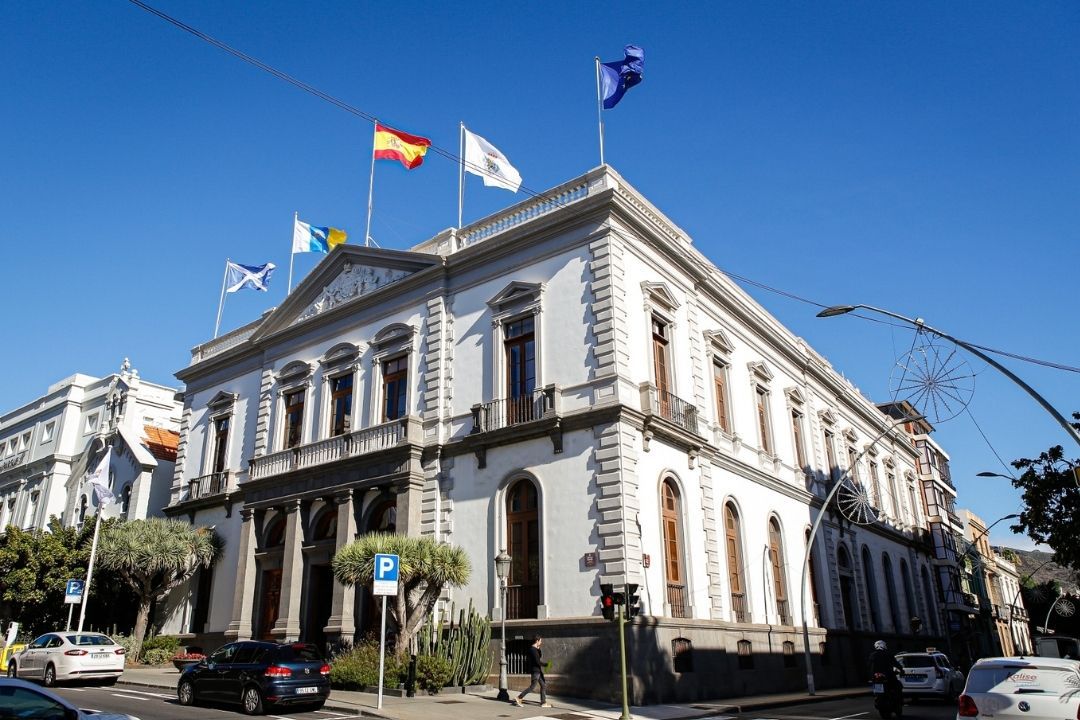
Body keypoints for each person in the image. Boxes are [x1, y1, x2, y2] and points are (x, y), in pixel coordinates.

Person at [513, 635, 552, 708]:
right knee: (532, 687)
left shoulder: (535, 649)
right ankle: (519, 697)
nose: (541, 642)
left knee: (543, 685)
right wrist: (546, 664)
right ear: (537, 641)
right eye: (540, 641)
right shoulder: (532, 650)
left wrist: (538, 648)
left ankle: (543, 703)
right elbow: (537, 661)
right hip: (535, 671)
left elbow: (539, 656)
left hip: (538, 671)